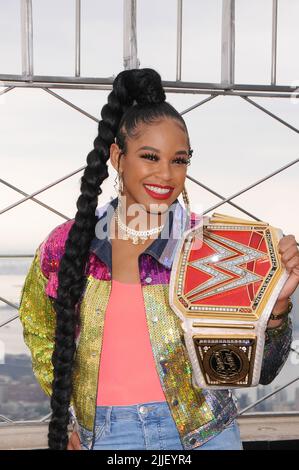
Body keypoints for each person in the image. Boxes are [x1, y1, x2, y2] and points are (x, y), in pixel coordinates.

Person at [18, 68, 298, 451]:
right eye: (150, 157)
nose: (165, 174)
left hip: (205, 436)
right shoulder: (69, 245)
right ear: (118, 157)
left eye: (179, 160)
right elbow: (40, 329)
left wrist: (276, 305)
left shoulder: (215, 245)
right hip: (105, 437)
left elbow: (261, 372)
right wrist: (68, 416)